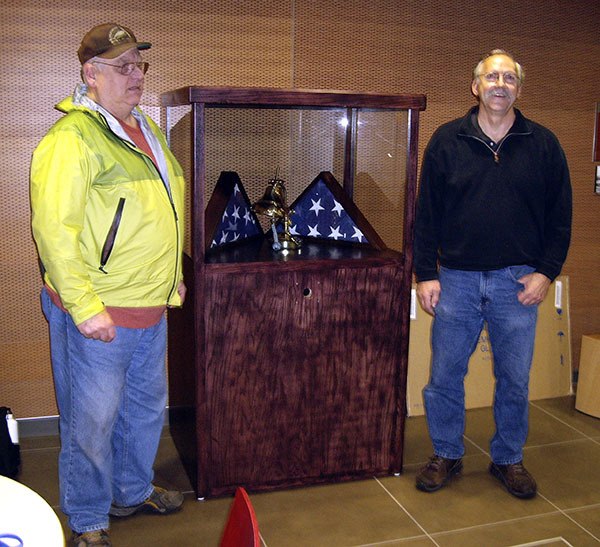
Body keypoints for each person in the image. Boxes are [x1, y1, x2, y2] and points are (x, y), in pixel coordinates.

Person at [30, 23, 186, 546]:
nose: (135, 75)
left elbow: (167, 212)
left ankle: (130, 490)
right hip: (98, 311)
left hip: (150, 303)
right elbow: (55, 231)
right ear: (89, 74)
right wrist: (83, 306)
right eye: (122, 67)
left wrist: (174, 280)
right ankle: (89, 518)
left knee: (143, 413)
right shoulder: (71, 138)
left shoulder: (148, 129)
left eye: (139, 65)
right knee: (90, 426)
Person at [413, 49, 572, 499]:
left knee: (515, 379)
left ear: (518, 89)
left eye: (509, 78)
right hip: (457, 281)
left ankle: (508, 458)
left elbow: (561, 217)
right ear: (476, 86)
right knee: (444, 375)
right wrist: (426, 274)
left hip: (518, 283)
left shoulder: (543, 145)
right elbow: (426, 216)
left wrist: (546, 273)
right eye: (491, 77)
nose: (500, 84)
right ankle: (446, 452)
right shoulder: (447, 141)